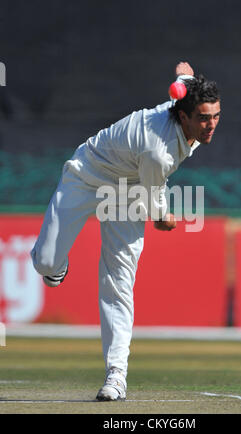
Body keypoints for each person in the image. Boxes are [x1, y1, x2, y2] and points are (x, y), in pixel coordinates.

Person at [31, 62, 221, 401]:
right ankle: (57, 267)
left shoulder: (185, 98)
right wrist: (164, 218)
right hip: (88, 174)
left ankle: (116, 374)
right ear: (183, 117)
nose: (211, 125)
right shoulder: (157, 152)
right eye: (204, 118)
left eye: (216, 116)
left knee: (118, 282)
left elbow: (183, 75)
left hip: (129, 189)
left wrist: (184, 73)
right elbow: (155, 197)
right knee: (44, 263)